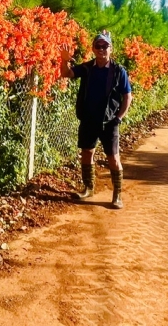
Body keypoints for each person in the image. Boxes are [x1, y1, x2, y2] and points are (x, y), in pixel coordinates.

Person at [59, 30, 132, 209]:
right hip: (89, 120)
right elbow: (66, 74)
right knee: (87, 153)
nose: (101, 49)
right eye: (98, 46)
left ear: (111, 48)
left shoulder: (118, 71)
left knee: (113, 158)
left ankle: (117, 195)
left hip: (109, 122)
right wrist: (64, 59)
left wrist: (119, 117)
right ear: (93, 48)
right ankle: (88, 188)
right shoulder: (87, 68)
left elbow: (127, 96)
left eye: (105, 46)